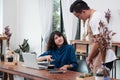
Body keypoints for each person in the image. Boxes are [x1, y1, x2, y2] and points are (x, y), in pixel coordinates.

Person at [70, 0, 116, 73]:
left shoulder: (94, 19)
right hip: (102, 56)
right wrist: (91, 58)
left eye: (78, 16)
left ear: (83, 11)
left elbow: (98, 42)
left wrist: (89, 58)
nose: (79, 18)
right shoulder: (95, 15)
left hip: (104, 58)